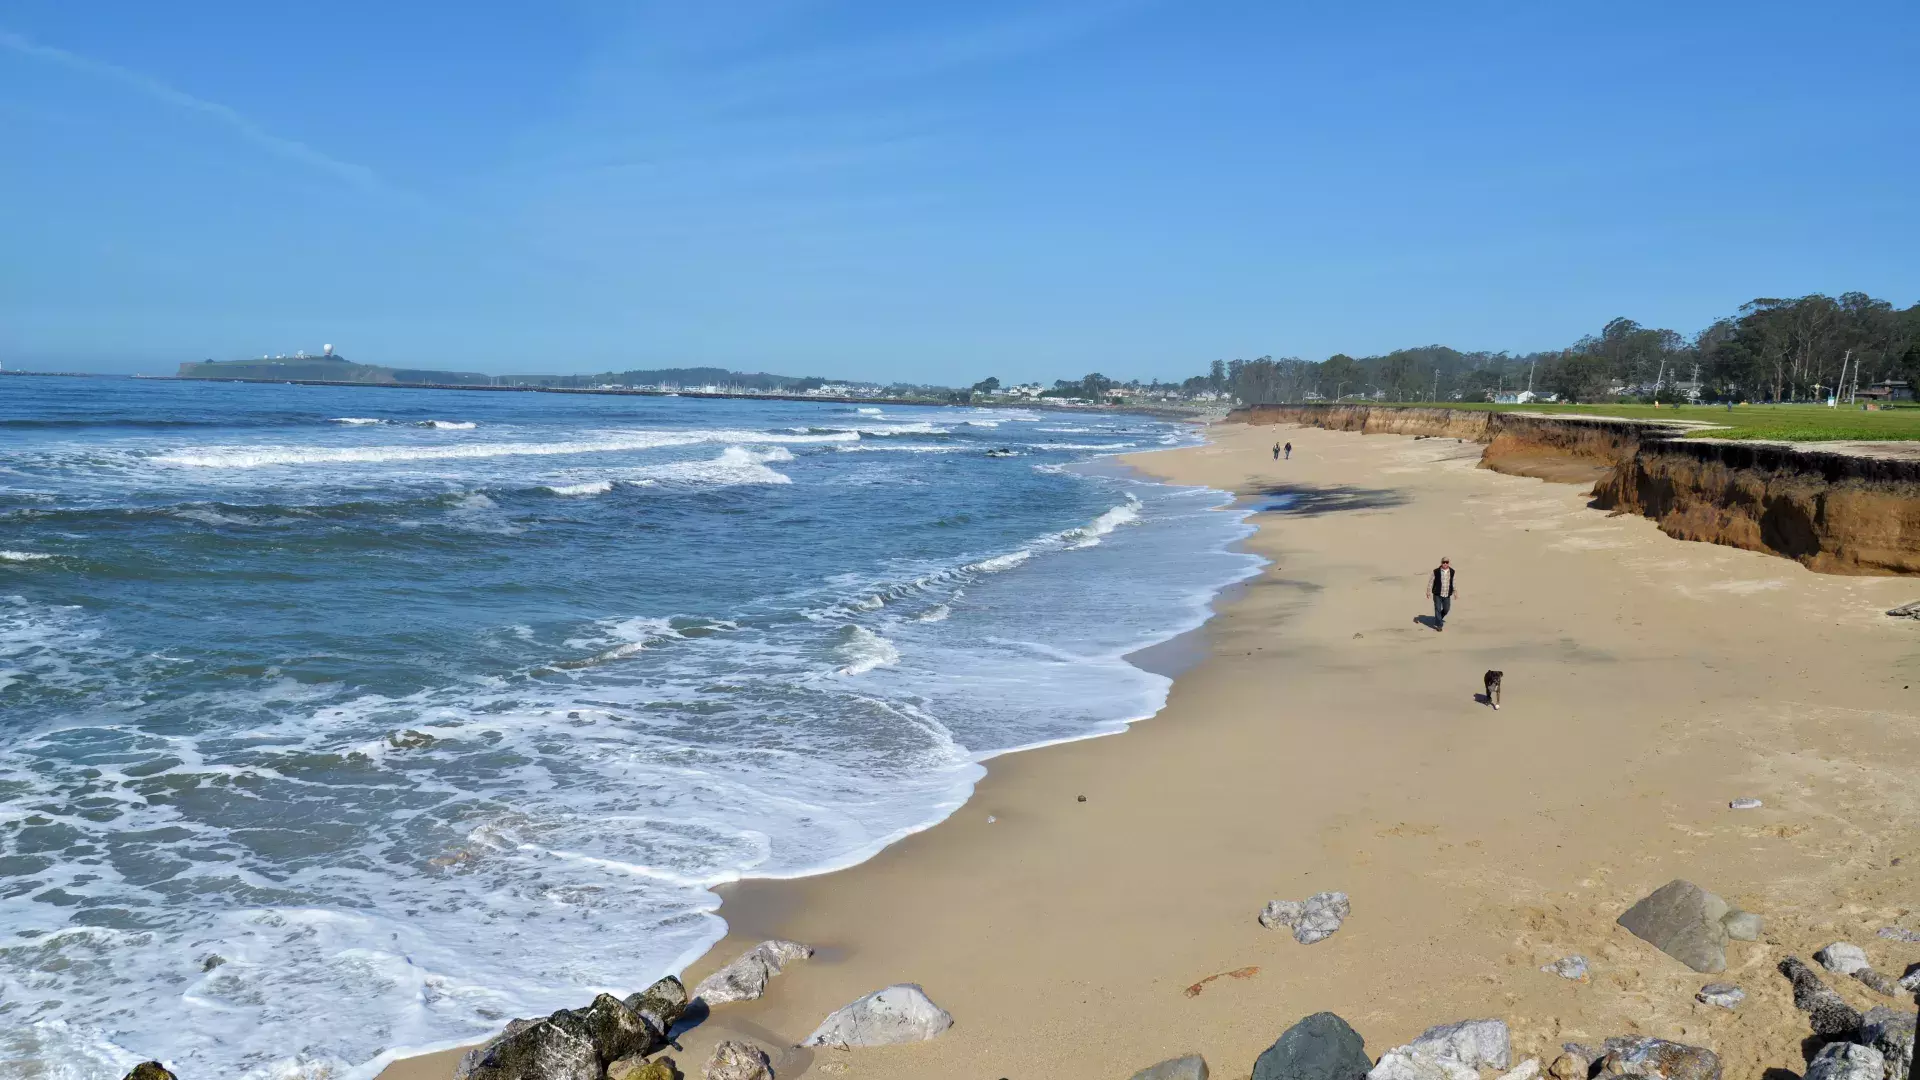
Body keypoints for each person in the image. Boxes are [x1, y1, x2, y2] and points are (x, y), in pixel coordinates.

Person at [1425, 557, 1456, 631]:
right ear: (1441, 563)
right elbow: (1431, 582)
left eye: (1446, 562)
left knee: (1446, 609)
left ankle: (1438, 618)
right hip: (1437, 594)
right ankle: (1439, 625)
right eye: (1443, 562)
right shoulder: (1436, 571)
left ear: (1448, 563)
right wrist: (1428, 591)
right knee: (1438, 609)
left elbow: (1453, 582)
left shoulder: (1452, 571)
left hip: (1447, 594)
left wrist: (1455, 592)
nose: (1445, 564)